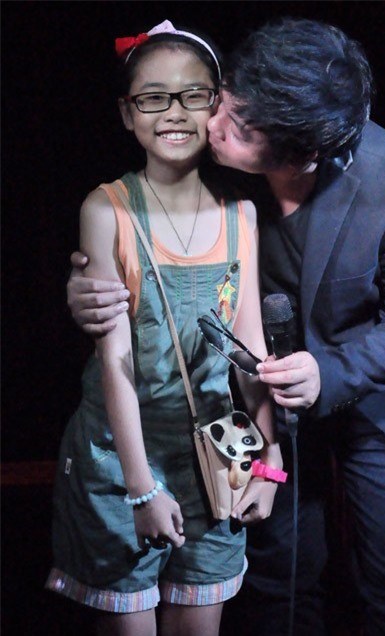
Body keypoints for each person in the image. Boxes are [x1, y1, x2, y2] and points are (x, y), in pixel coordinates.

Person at [66, 17, 385, 636]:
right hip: (255, 408)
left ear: (303, 154)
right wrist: (85, 286)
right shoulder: (207, 152)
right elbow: (133, 237)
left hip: (377, 404)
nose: (214, 125)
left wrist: (327, 373)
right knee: (277, 583)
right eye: (227, 102)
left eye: (242, 131)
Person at [46, 18, 282, 636]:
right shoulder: (107, 209)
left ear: (217, 105)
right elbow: (115, 361)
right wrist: (142, 489)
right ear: (128, 114)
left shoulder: (241, 214)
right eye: (153, 98)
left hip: (213, 456)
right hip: (121, 458)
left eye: (192, 95)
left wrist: (269, 458)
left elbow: (249, 351)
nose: (174, 112)